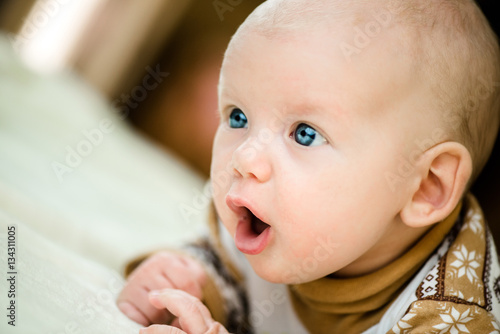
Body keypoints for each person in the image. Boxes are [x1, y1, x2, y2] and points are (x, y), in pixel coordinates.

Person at [117, 0, 500, 333]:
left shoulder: (449, 315)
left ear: (425, 187)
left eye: (304, 134)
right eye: (237, 117)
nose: (245, 158)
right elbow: (226, 275)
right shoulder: (261, 214)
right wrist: (182, 288)